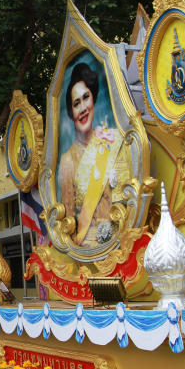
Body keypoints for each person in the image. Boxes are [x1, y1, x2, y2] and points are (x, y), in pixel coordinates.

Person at [57, 62, 130, 247]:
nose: (83, 108)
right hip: (87, 246)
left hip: (123, 240)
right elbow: (69, 223)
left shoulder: (112, 140)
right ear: (71, 112)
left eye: (86, 98)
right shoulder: (67, 161)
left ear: (93, 98)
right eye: (76, 103)